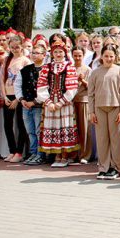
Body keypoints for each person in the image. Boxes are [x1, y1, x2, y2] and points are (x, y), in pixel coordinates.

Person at [88, 44, 120, 180]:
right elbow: (91, 94)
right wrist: (91, 111)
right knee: (102, 139)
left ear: (115, 57)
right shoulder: (95, 72)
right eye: (106, 56)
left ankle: (116, 167)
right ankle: (103, 167)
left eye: (111, 56)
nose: (109, 59)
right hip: (99, 108)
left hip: (115, 108)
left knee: (116, 139)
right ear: (102, 56)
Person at [38, 40, 80, 168]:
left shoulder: (69, 67)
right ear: (52, 53)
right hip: (51, 101)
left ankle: (65, 155)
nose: (58, 54)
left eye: (60, 52)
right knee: (53, 127)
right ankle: (57, 155)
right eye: (55, 52)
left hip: (64, 103)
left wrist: (61, 102)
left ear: (65, 53)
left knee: (64, 125)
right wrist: (48, 102)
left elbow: (72, 88)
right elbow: (41, 85)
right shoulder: (47, 67)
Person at [0, 34, 31, 163]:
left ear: (21, 46)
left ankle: (19, 151)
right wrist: (4, 96)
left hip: (20, 96)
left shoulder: (26, 61)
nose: (15, 49)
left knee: (21, 124)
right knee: (7, 124)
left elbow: (27, 82)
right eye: (12, 47)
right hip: (8, 95)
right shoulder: (6, 60)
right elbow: (2, 79)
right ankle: (12, 150)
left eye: (17, 47)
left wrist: (18, 99)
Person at [17, 44, 47, 165]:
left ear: (44, 55)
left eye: (37, 53)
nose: (34, 55)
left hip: (39, 106)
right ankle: (33, 153)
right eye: (33, 53)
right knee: (30, 131)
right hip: (26, 105)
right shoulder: (25, 70)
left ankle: (41, 154)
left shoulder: (46, 70)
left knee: (39, 131)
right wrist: (21, 99)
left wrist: (34, 102)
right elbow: (17, 85)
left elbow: (46, 89)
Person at [71, 47, 94, 164]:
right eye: (75, 55)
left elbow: (91, 87)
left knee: (85, 129)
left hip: (84, 100)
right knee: (73, 129)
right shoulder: (69, 68)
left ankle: (85, 155)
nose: (77, 58)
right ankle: (74, 153)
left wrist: (83, 80)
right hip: (71, 101)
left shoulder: (87, 69)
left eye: (79, 55)